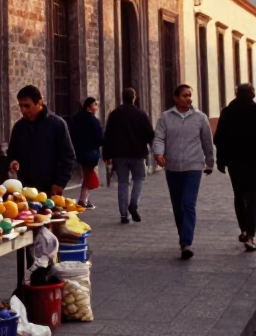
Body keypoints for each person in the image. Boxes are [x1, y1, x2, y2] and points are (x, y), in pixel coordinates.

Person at [214, 82, 256, 252]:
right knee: (253, 198)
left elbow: (219, 139)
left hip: (235, 161)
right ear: (253, 94)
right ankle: (250, 236)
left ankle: (244, 228)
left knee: (239, 195)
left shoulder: (228, 112)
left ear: (236, 94)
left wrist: (220, 161)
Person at [153, 83, 214, 261]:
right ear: (176, 97)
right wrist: (158, 153)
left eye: (190, 95)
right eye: (185, 95)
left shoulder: (200, 118)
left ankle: (187, 242)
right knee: (178, 206)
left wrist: (210, 162)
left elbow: (207, 142)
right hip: (172, 168)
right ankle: (183, 238)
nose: (189, 98)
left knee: (188, 204)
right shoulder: (165, 118)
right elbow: (159, 137)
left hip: (193, 166)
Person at [7, 84, 75, 195]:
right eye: (20, 106)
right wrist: (13, 161)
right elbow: (12, 152)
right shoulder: (19, 127)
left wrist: (60, 182)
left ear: (39, 103)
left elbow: (68, 156)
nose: (23, 110)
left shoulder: (57, 124)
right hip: (24, 190)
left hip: (49, 189)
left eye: (27, 106)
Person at [102, 87, 155, 224]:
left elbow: (108, 136)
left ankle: (124, 215)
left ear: (122, 97)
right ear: (134, 98)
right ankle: (133, 204)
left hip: (119, 155)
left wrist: (106, 155)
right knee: (139, 179)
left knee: (123, 183)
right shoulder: (141, 114)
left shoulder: (114, 114)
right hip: (138, 154)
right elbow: (150, 134)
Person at [69, 97, 104, 208]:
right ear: (88, 106)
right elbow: (99, 139)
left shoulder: (75, 119)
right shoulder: (94, 121)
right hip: (91, 153)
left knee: (87, 175)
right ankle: (83, 200)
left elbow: (71, 135)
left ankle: (85, 199)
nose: (96, 107)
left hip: (79, 152)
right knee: (88, 175)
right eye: (95, 105)